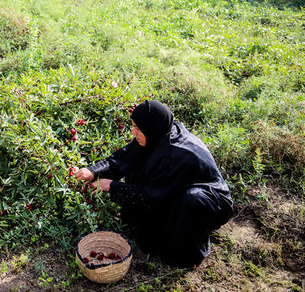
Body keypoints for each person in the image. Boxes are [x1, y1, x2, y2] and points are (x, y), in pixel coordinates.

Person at [74, 100, 233, 268]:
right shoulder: (158, 133)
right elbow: (126, 157)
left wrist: (111, 186)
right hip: (175, 188)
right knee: (142, 168)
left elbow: (150, 197)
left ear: (151, 127)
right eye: (133, 126)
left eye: (138, 128)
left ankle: (185, 255)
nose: (133, 132)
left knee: (191, 201)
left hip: (211, 203)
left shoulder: (175, 155)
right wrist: (93, 171)